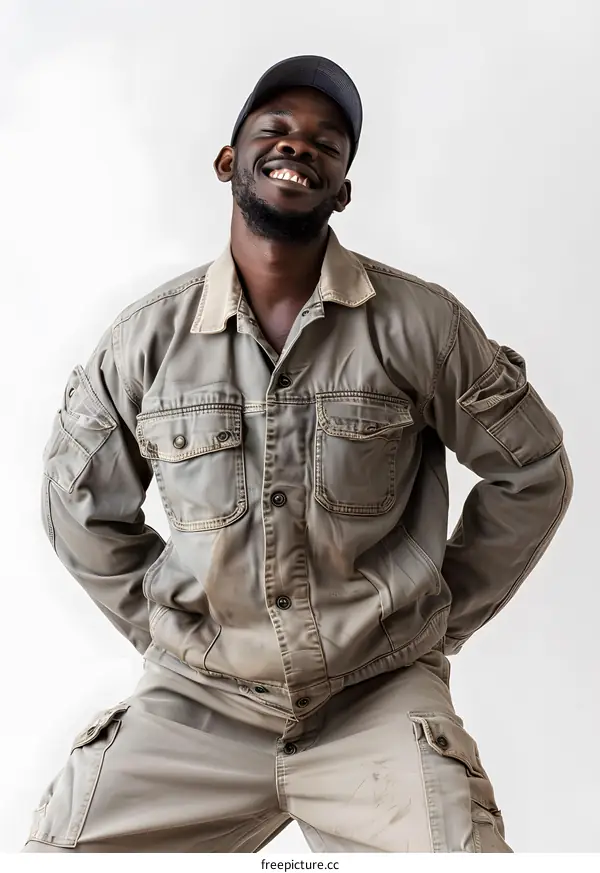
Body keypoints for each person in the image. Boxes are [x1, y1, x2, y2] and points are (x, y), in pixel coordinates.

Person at [23, 55, 573, 854]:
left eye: (327, 143)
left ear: (343, 189)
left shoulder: (422, 325)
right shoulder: (145, 341)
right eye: (275, 129)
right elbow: (78, 505)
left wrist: (435, 617)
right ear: (228, 161)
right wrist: (167, 632)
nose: (298, 146)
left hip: (376, 699)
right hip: (198, 704)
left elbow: (531, 470)